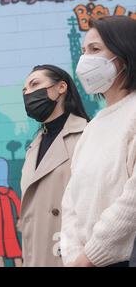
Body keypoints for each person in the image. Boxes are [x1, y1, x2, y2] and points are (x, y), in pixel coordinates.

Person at [61, 16, 136, 267]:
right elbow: (71, 201)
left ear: (124, 55)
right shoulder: (92, 127)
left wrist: (89, 257)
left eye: (95, 49)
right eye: (83, 51)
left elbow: (132, 200)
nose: (85, 60)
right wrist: (72, 256)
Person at [19, 65, 89, 267]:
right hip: (37, 255)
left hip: (72, 255)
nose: (29, 93)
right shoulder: (33, 147)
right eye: (25, 90)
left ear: (61, 88)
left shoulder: (86, 135)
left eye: (35, 84)